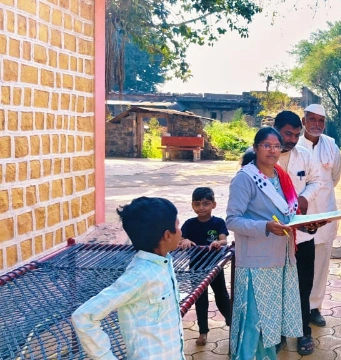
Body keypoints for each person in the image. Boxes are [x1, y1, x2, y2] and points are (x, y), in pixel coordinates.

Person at [71, 197, 185, 360]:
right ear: (167, 235)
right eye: (177, 225)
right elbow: (84, 316)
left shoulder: (164, 262)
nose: (180, 231)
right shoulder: (139, 275)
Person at [226, 127, 303, 360]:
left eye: (276, 146)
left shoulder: (280, 176)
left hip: (281, 258)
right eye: (266, 145)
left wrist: (307, 223)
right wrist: (265, 227)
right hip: (256, 263)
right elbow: (232, 220)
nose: (272, 150)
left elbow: (289, 214)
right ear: (256, 147)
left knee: (270, 321)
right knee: (254, 321)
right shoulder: (245, 178)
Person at [272, 110, 323, 355]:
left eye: (296, 134)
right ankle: (278, 333)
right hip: (273, 236)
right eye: (287, 134)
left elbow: (317, 181)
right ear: (276, 129)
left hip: (302, 234)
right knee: (277, 286)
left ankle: (303, 331)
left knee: (303, 285)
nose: (292, 139)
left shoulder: (304, 155)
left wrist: (304, 198)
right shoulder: (259, 157)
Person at [296, 104, 341, 331]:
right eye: (311, 119)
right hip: (300, 216)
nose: (316, 124)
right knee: (300, 264)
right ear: (304, 121)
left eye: (320, 120)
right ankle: (298, 307)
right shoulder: (295, 145)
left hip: (324, 212)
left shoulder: (331, 145)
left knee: (321, 263)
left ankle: (315, 307)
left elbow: (334, 178)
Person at [176, 187, 232, 346]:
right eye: (197, 204)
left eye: (206, 204)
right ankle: (203, 332)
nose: (201, 208)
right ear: (192, 205)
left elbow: (224, 241)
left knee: (221, 296)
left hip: (215, 267)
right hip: (196, 268)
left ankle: (231, 322)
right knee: (200, 300)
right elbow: (179, 240)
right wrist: (184, 241)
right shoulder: (189, 224)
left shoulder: (218, 222)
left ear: (213, 205)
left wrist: (218, 243)